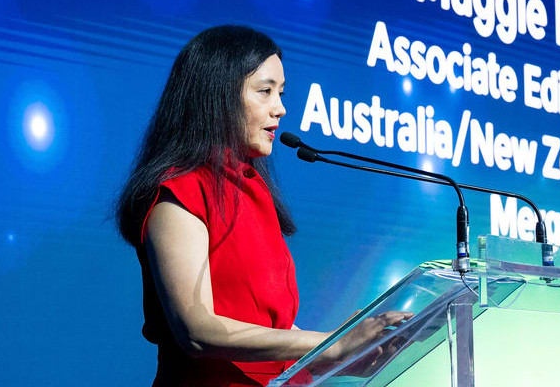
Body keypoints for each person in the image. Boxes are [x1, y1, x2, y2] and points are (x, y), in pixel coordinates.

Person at [116, 26, 407, 386]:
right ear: (217, 94)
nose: (280, 108)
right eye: (265, 91)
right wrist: (332, 345)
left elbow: (271, 332)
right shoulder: (179, 192)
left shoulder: (254, 189)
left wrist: (341, 355)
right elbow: (196, 330)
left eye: (281, 93)